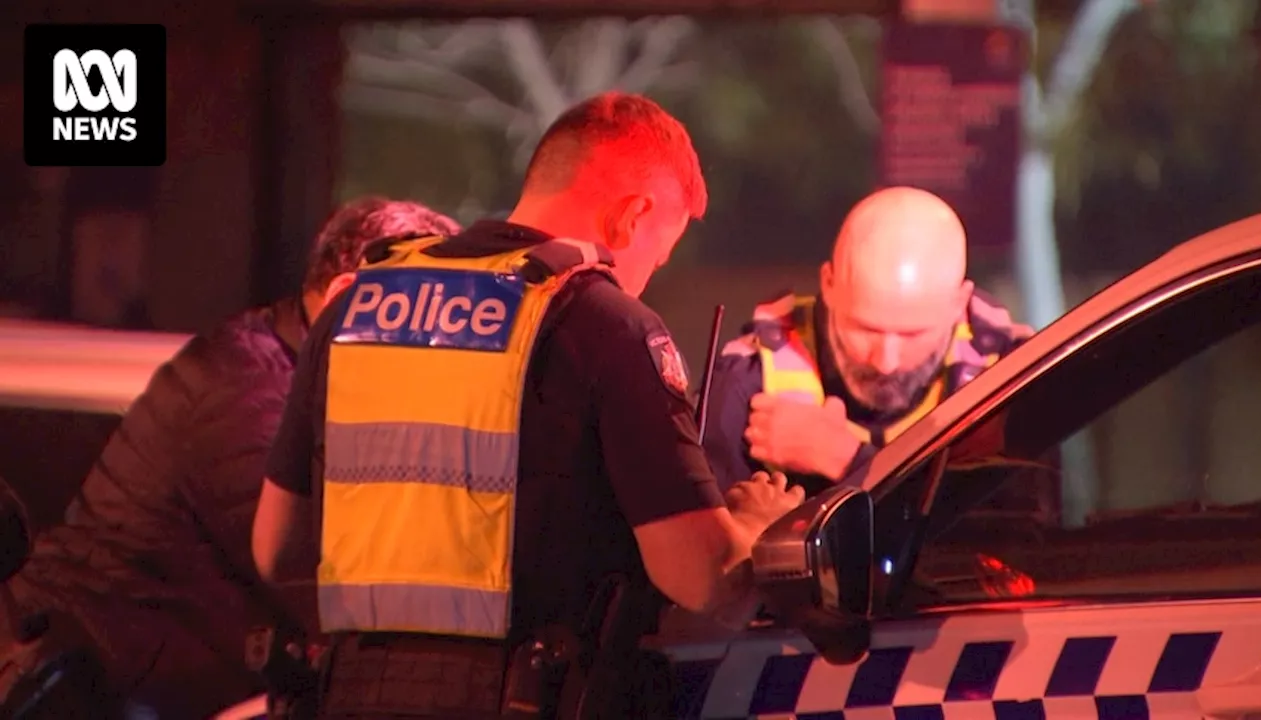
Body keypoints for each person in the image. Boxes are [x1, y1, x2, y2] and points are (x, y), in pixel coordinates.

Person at [252, 91, 805, 719]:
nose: (646, 275)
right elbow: (703, 580)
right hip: (524, 695)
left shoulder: (354, 307)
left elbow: (276, 549)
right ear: (632, 215)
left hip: (353, 691)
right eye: (658, 252)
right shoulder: (606, 323)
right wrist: (762, 530)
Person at [0, 197, 461, 719]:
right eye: (422, 314)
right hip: (91, 689)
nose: (438, 343)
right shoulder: (251, 394)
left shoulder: (295, 373)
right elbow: (330, 585)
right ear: (346, 296)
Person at [703, 186, 1034, 499]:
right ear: (828, 285)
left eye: (911, 335)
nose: (884, 361)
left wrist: (846, 461)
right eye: (865, 329)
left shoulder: (1016, 373)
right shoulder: (748, 381)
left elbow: (1017, 544)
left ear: (959, 303)